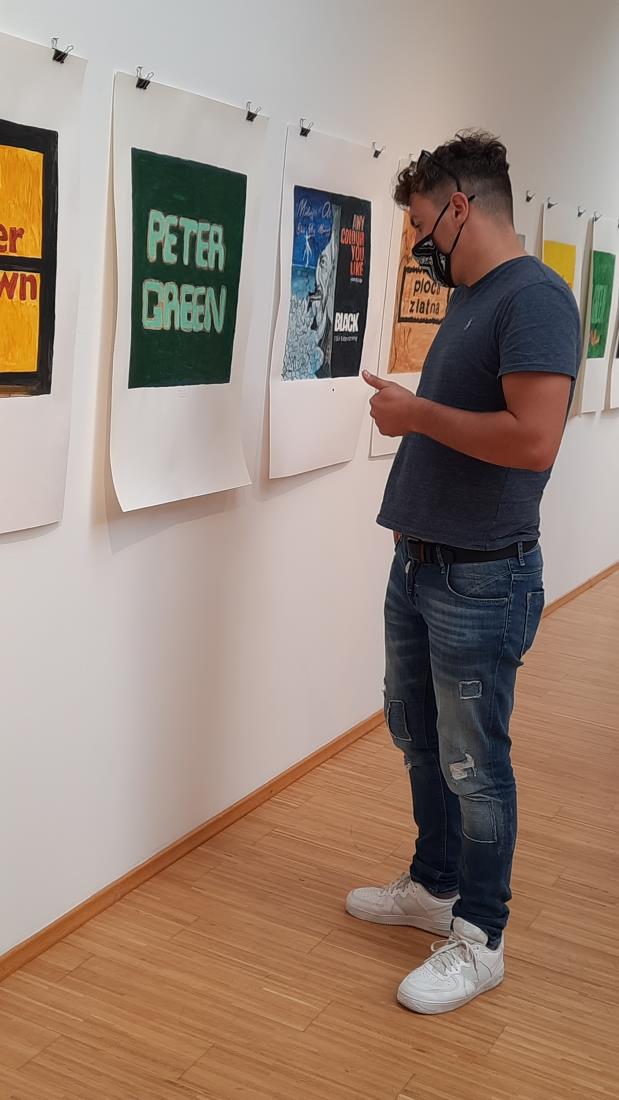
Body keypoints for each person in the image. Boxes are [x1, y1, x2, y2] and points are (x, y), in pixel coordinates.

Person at [346, 131, 581, 1015]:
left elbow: (533, 440)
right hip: (420, 561)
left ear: (458, 205)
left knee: (473, 763)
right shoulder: (475, 298)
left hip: (482, 575)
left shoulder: (536, 300)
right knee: (417, 734)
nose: (418, 245)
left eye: (420, 225)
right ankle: (433, 885)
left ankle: (480, 937)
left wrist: (414, 415)